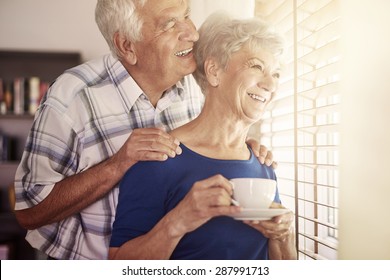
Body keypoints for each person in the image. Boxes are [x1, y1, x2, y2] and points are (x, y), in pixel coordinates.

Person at [13, 0, 274, 260]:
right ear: (127, 46)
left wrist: (237, 145)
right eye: (170, 24)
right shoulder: (73, 98)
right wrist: (118, 164)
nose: (192, 33)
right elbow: (29, 212)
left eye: (186, 16)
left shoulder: (194, 87)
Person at [109, 12, 297, 260]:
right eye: (256, 66)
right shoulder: (159, 159)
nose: (270, 85)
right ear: (214, 71)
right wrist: (178, 221)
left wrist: (283, 235)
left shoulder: (263, 166)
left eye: (276, 74)